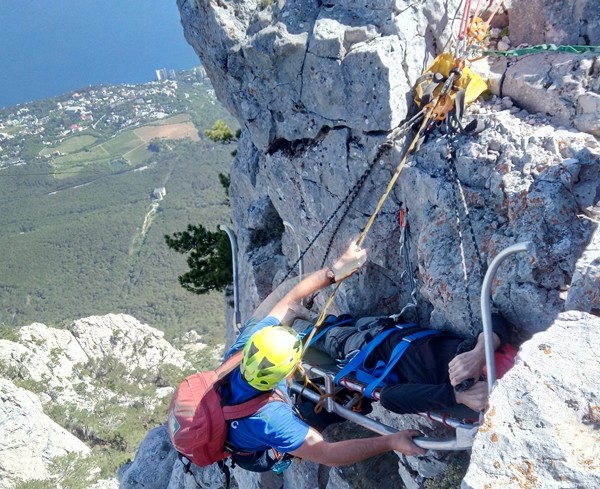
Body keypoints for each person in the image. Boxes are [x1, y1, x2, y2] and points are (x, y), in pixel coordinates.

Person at [219, 240, 427, 473]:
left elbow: (287, 301)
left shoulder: (242, 350)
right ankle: (285, 453)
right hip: (254, 455)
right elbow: (328, 454)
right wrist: (390, 441)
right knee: (314, 415)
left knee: (316, 399)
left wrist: (335, 271)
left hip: (233, 414)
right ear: (289, 371)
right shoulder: (271, 421)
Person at [308, 312, 514, 415]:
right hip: (393, 328)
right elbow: (497, 320)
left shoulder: (454, 393)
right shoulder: (510, 364)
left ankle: (293, 318)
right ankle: (306, 315)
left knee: (321, 336)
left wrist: (457, 396)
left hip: (368, 350)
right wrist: (479, 353)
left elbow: (389, 397)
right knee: (347, 322)